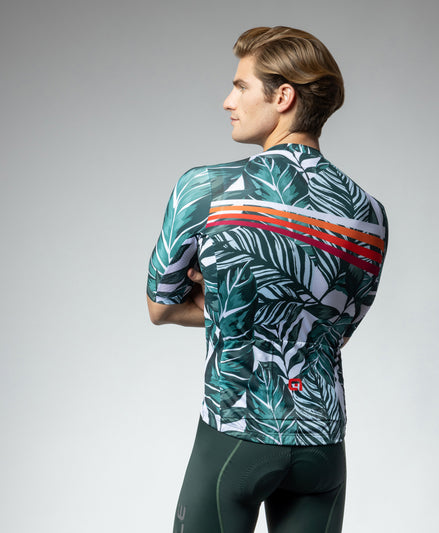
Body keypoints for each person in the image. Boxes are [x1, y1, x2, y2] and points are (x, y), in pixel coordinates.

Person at [147, 26, 388, 533]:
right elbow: (334, 329)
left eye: (241, 86)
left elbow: (161, 307)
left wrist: (224, 298)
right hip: (323, 443)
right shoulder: (370, 214)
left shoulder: (207, 189)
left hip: (237, 428)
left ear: (283, 97)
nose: (227, 100)